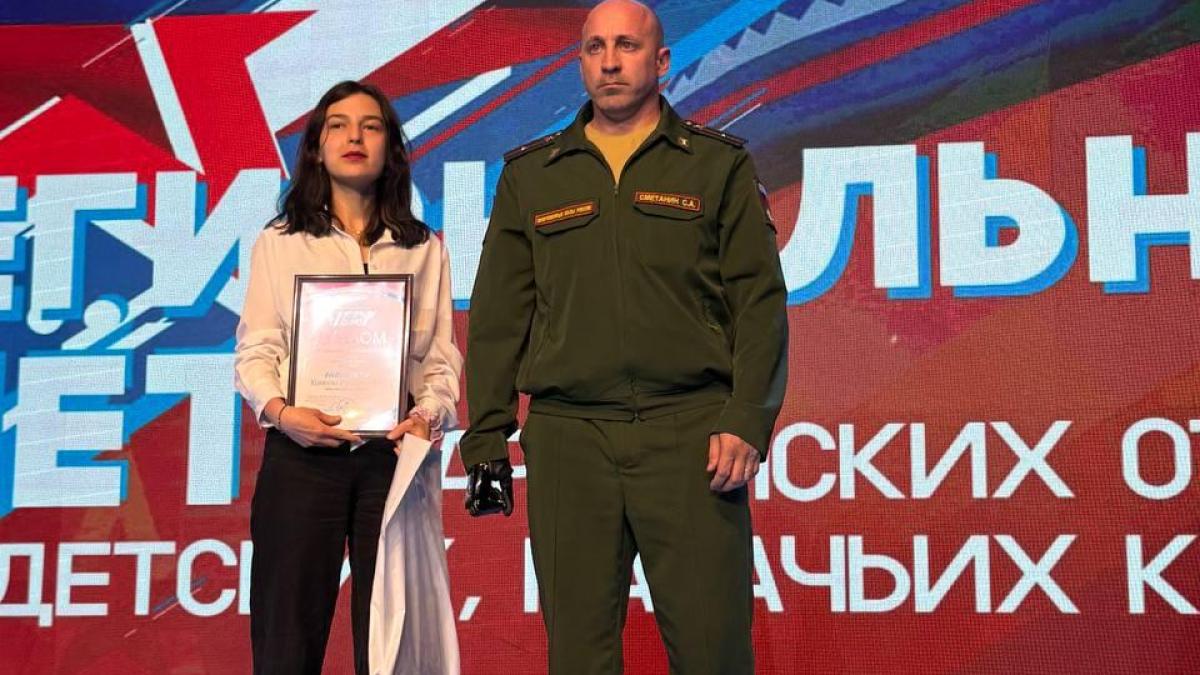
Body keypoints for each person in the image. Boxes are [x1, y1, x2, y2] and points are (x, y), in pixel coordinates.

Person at [461, 0, 788, 672]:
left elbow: (759, 304)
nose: (610, 62)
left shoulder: (717, 165)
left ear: (661, 61)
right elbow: (498, 318)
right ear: (581, 62)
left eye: (627, 46)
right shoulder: (531, 175)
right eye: (595, 48)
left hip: (691, 432)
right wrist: (487, 436)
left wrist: (747, 419)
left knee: (715, 650)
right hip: (570, 439)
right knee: (577, 655)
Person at [235, 80, 461, 675]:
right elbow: (256, 350)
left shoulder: (423, 248)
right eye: (338, 125)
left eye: (371, 125)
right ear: (316, 148)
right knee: (286, 641)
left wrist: (427, 415)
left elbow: (439, 362)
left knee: (394, 646)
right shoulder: (280, 242)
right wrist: (283, 414)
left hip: (392, 457)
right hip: (301, 455)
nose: (354, 137)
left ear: (391, 148)